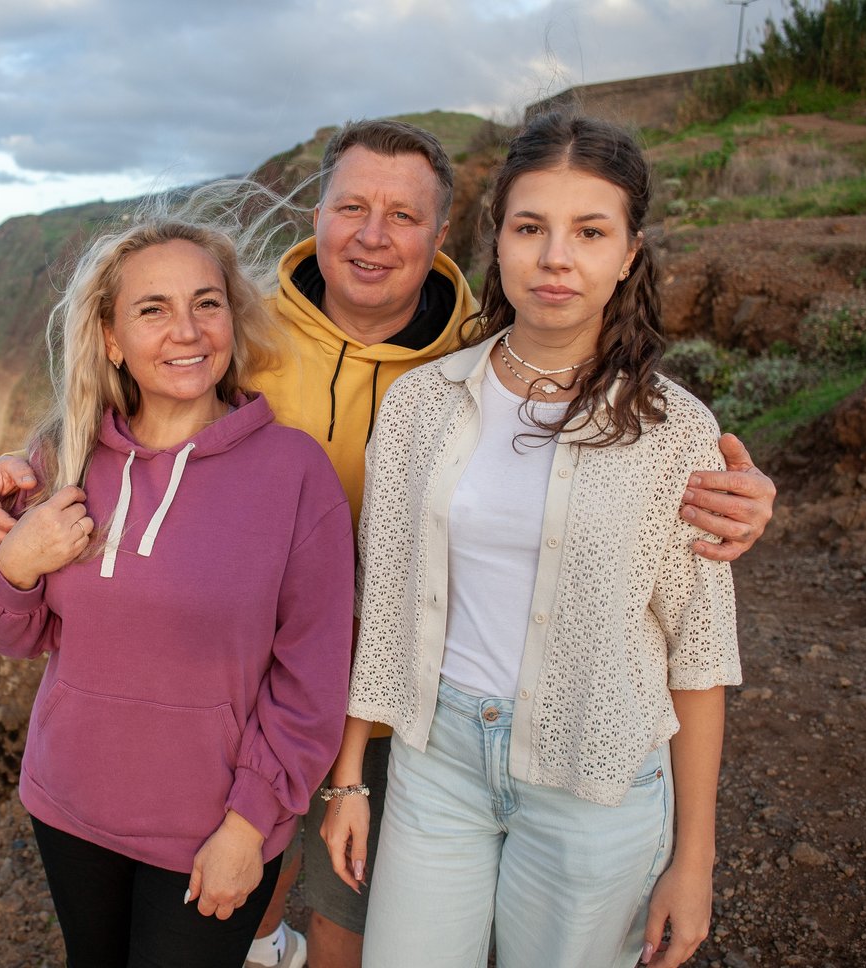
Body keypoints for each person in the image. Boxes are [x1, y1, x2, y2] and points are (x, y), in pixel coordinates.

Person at [0, 119, 777, 968]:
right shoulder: (241, 328)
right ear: (316, 215)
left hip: (408, 715)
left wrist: (743, 506)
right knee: (250, 902)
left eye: (404, 215)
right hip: (251, 696)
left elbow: (665, 569)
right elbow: (131, 406)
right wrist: (21, 465)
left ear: (444, 238)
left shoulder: (472, 354)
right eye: (350, 206)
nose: (372, 234)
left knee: (349, 928)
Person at [320, 112, 742, 968]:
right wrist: (350, 780)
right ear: (497, 242)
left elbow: (699, 658)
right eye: (531, 227)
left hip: (599, 780)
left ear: (627, 253)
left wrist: (692, 859)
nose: (557, 257)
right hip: (436, 763)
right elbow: (384, 606)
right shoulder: (419, 406)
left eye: (590, 231)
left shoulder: (674, 432)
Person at [0, 206, 355, 968]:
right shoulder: (63, 456)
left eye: (207, 303)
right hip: (68, 808)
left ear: (232, 320)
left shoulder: (293, 473)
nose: (188, 330)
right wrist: (19, 560)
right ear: (110, 337)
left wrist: (248, 826)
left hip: (208, 831)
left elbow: (311, 679)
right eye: (153, 309)